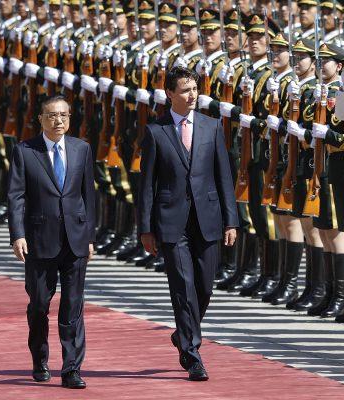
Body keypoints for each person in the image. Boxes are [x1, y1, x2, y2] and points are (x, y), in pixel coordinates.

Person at [137, 66, 238, 381]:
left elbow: (224, 178)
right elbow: (147, 185)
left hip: (207, 219)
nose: (191, 95)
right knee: (182, 287)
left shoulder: (211, 127)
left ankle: (183, 333)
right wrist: (145, 228)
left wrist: (230, 221)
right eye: (184, 89)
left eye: (194, 89)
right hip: (171, 222)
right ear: (169, 93)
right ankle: (193, 354)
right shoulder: (156, 131)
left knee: (204, 287)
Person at [7, 95, 96, 389]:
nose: (58, 121)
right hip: (39, 240)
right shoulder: (25, 151)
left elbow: (88, 196)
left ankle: (71, 368)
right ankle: (39, 358)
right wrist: (17, 235)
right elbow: (16, 196)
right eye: (52, 116)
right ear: (41, 119)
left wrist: (90, 236)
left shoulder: (81, 149)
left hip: (75, 240)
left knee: (73, 305)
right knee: (39, 305)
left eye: (64, 115)